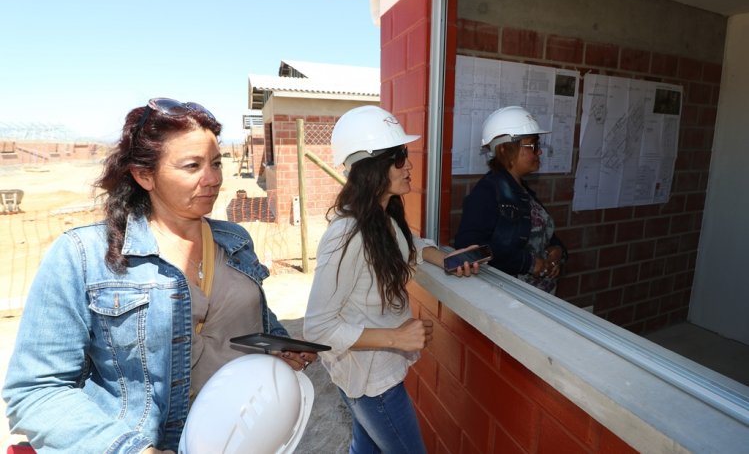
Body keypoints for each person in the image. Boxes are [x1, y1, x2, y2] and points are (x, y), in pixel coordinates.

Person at [2, 98, 318, 453]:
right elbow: (36, 391)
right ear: (144, 175)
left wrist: (278, 346)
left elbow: (252, 322)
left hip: (244, 436)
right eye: (192, 166)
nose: (213, 179)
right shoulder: (82, 255)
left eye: (216, 163)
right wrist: (131, 449)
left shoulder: (235, 241)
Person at [303, 105, 480, 454]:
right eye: (399, 157)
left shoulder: (382, 218)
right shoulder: (347, 235)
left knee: (364, 449)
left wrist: (445, 258)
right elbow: (317, 327)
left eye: (406, 155)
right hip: (371, 384)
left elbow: (406, 246)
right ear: (371, 167)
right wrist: (396, 337)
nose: (409, 164)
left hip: (369, 375)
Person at [455, 105, 568, 294]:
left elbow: (538, 234)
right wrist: (529, 263)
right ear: (505, 149)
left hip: (536, 298)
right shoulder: (487, 193)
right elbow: (470, 249)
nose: (539, 152)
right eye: (533, 145)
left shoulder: (522, 191)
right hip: (509, 299)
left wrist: (556, 249)